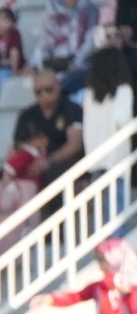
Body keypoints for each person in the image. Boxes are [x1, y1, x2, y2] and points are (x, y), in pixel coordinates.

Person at [11, 71, 85, 189]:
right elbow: (16, 146)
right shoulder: (27, 115)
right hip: (32, 161)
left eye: (49, 90)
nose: (44, 95)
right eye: (38, 92)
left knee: (53, 174)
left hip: (63, 161)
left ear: (58, 86)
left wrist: (49, 161)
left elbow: (74, 145)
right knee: (2, 174)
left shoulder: (72, 109)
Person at [82, 47, 134, 175]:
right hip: (115, 161)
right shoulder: (123, 90)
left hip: (95, 160)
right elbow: (122, 120)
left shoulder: (90, 93)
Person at [34, 0, 100, 92]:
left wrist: (76, 64)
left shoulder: (90, 10)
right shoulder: (51, 9)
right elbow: (44, 44)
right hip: (55, 65)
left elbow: (90, 43)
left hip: (80, 67)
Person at [0, 4, 26, 94]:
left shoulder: (14, 34)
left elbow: (14, 54)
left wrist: (15, 73)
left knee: (2, 80)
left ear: (12, 22)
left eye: (4, 20)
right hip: (0, 68)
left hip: (11, 69)